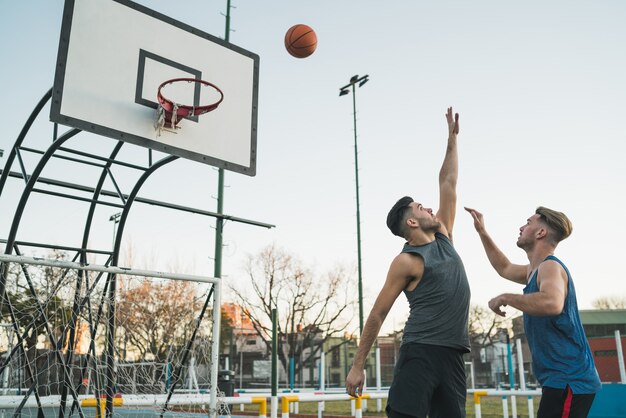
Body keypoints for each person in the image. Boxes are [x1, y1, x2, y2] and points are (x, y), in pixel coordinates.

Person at [345, 107, 471, 418]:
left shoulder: (445, 237)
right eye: (420, 207)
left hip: (453, 355)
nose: (429, 207)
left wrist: (451, 139)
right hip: (421, 353)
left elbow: (448, 181)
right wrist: (358, 365)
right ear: (412, 223)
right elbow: (378, 313)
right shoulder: (407, 261)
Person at [465, 206, 601, 418]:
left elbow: (552, 303)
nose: (521, 227)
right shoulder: (533, 271)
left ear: (541, 233)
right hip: (559, 380)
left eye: (528, 222)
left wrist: (506, 297)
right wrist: (482, 232)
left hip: (570, 379)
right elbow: (504, 267)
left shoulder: (550, 267)